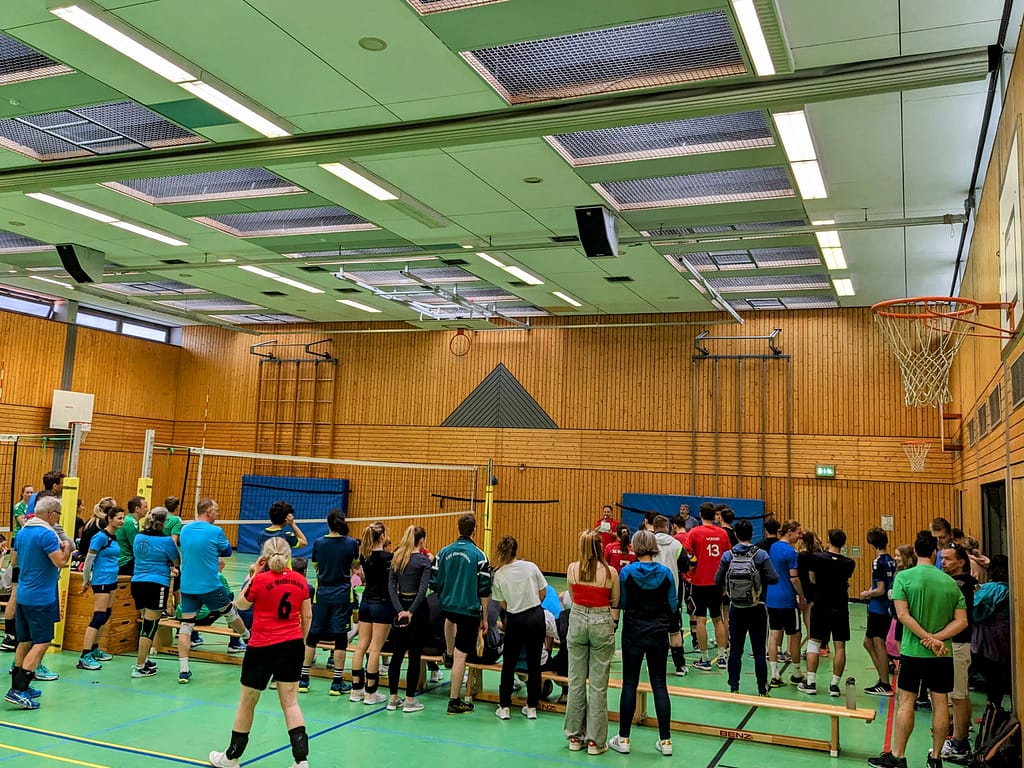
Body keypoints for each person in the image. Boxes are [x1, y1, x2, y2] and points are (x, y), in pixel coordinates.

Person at [208, 537, 311, 768]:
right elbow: (307, 616)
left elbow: (240, 604)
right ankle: (301, 761)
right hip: (292, 645)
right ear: (288, 556)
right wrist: (301, 642)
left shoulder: (261, 580)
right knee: (291, 703)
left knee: (247, 702)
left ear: (265, 556)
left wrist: (254, 574)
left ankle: (232, 757)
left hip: (262, 647)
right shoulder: (300, 581)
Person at [868, 531, 966, 768]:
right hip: (941, 653)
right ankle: (936, 758)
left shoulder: (904, 578)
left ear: (915, 551)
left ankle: (898, 755)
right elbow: (962, 621)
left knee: (906, 702)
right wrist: (937, 639)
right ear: (935, 552)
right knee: (940, 702)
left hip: (913, 651)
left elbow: (903, 615)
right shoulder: (950, 582)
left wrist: (925, 637)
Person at [609, 530, 676, 757]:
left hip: (633, 633)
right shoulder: (666, 573)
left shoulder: (626, 572)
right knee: (659, 683)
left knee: (629, 682)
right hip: (658, 633)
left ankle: (624, 738)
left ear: (635, 547)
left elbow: (622, 602)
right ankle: (665, 741)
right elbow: (673, 604)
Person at [6, 496, 71, 709]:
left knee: (24, 641)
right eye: (58, 515)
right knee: (42, 642)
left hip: (23, 594)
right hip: (41, 597)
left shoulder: (23, 532)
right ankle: (19, 690)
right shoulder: (46, 534)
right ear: (51, 513)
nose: (58, 519)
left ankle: (18, 685)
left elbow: (14, 560)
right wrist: (66, 547)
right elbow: (60, 562)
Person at [178, 498, 250, 684]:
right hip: (209, 586)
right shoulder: (215, 531)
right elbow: (227, 552)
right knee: (230, 612)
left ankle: (184, 670)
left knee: (186, 626)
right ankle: (248, 638)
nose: (217, 513)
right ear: (208, 512)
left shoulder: (185, 529)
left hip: (188, 586)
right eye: (216, 510)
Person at [564, 529, 619, 755]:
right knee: (598, 685)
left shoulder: (572, 569)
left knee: (576, 681)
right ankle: (595, 741)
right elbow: (615, 601)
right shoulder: (610, 573)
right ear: (600, 547)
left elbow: (572, 596)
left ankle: (574, 737)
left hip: (577, 618)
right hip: (601, 619)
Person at [433, 513, 491, 715]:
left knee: (450, 618)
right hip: (469, 610)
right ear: (474, 530)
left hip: (448, 606)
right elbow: (484, 590)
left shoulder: (443, 552)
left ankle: (448, 653)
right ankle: (454, 701)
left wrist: (445, 594)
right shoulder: (479, 556)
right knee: (461, 655)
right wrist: (484, 618)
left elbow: (434, 580)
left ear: (458, 529)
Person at [715, 519, 777, 696]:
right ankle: (761, 689)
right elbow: (774, 578)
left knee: (735, 650)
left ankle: (734, 687)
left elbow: (717, 579)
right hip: (757, 606)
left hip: (736, 607)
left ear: (736, 534)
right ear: (752, 534)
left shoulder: (728, 555)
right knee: (759, 651)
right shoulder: (761, 554)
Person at [299, 509, 358, 696]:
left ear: (328, 523)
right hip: (342, 596)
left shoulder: (319, 543)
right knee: (340, 639)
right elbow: (355, 566)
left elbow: (316, 566)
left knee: (313, 636)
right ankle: (337, 683)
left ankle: (303, 679)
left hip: (322, 595)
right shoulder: (351, 543)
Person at [491, 535, 547, 721]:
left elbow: (503, 604)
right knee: (534, 663)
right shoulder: (530, 567)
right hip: (536, 616)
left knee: (509, 663)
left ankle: (504, 707)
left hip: (516, 619)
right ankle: (532, 707)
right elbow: (543, 592)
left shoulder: (499, 574)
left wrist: (518, 607)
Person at [798, 529, 855, 697]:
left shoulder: (817, 558)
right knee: (840, 646)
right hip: (840, 607)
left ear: (829, 540)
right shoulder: (849, 563)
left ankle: (811, 682)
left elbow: (812, 579)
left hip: (821, 605)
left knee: (814, 643)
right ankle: (834, 686)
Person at [130, 507, 180, 678]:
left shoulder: (138, 537)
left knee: (146, 622)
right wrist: (170, 565)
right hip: (156, 584)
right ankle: (139, 666)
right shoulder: (166, 541)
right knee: (150, 627)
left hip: (137, 583)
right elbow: (176, 561)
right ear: (164, 522)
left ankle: (144, 660)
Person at [938, 543, 977, 762]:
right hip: (958, 644)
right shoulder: (960, 583)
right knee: (960, 693)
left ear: (961, 562)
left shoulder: (959, 585)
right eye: (942, 558)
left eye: (948, 559)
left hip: (958, 644)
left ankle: (959, 744)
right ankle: (960, 735)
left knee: (958, 695)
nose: (943, 563)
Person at [386, 525, 431, 712]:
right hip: (418, 610)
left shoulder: (397, 558)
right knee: (414, 654)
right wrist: (411, 612)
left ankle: (393, 698)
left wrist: (400, 610)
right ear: (421, 541)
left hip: (400, 606)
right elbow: (423, 590)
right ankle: (410, 700)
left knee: (397, 654)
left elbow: (391, 588)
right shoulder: (423, 561)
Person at [349, 522, 393, 705]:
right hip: (382, 605)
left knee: (361, 646)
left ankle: (356, 690)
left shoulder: (364, 556)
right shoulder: (388, 558)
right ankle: (370, 693)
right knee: (375, 648)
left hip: (366, 603)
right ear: (382, 536)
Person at [77, 505, 125, 670]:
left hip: (112, 579)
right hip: (101, 580)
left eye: (123, 518)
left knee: (106, 614)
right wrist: (86, 581)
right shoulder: (100, 537)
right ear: (110, 519)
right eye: (119, 518)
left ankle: (95, 648)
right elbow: (89, 560)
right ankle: (84, 656)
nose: (122, 521)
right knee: (98, 616)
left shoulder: (114, 536)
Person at [685, 503, 729, 671]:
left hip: (699, 582)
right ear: (714, 515)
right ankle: (722, 657)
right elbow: (728, 556)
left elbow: (688, 555)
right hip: (717, 582)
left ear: (700, 514)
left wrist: (690, 572)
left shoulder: (694, 532)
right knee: (718, 619)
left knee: (701, 620)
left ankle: (704, 659)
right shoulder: (722, 533)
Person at [766, 519, 805, 687]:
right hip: (787, 600)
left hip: (772, 597)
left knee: (774, 635)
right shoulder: (791, 552)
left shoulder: (773, 548)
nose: (799, 536)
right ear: (789, 531)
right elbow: (794, 578)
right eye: (798, 532)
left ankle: (774, 675)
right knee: (795, 636)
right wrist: (802, 596)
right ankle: (796, 673)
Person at [970, 555, 1009, 710]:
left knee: (992, 675)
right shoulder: (1012, 587)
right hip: (1006, 636)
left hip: (987, 637)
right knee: (1000, 675)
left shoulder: (990, 589)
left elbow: (974, 610)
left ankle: (993, 711)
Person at [861, 527, 897, 696]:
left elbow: (881, 589)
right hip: (886, 607)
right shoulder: (891, 560)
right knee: (867, 643)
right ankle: (883, 675)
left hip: (879, 608)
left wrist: (866, 594)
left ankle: (884, 683)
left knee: (878, 643)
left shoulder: (878, 562)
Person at [652, 515, 689, 676]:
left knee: (653, 629)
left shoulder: (648, 543)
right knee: (674, 631)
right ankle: (680, 666)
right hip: (671, 593)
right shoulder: (676, 544)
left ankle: (654, 665)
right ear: (667, 527)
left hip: (651, 592)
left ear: (654, 527)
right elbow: (685, 566)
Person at [2, 484, 33, 652]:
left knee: (21, 593)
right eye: (27, 492)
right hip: (20, 544)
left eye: (31, 492)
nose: (29, 494)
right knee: (15, 593)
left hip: (27, 545)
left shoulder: (32, 507)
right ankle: (9, 635)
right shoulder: (19, 507)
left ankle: (18, 633)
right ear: (22, 494)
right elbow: (24, 523)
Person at [115, 496, 148, 576]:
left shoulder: (130, 520)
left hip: (125, 560)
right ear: (137, 509)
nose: (147, 509)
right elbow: (136, 546)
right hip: (124, 562)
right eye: (145, 507)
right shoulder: (130, 522)